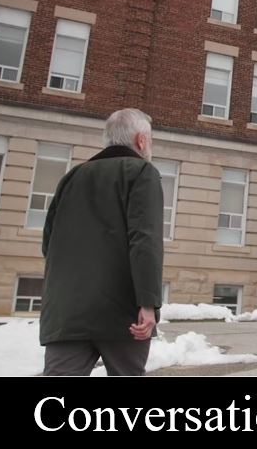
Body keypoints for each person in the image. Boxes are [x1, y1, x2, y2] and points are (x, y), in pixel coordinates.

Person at [40, 108, 164, 376]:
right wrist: (148, 304)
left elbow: (48, 243)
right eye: (151, 140)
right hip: (122, 313)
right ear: (141, 140)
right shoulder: (142, 171)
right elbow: (145, 241)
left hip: (66, 314)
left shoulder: (71, 177)